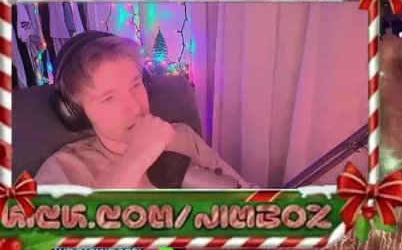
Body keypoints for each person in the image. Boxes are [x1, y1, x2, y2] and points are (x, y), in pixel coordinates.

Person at [36, 31, 250, 190]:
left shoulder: (182, 136)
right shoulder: (64, 171)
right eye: (109, 98)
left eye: (136, 85)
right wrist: (136, 160)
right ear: (75, 111)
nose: (136, 107)